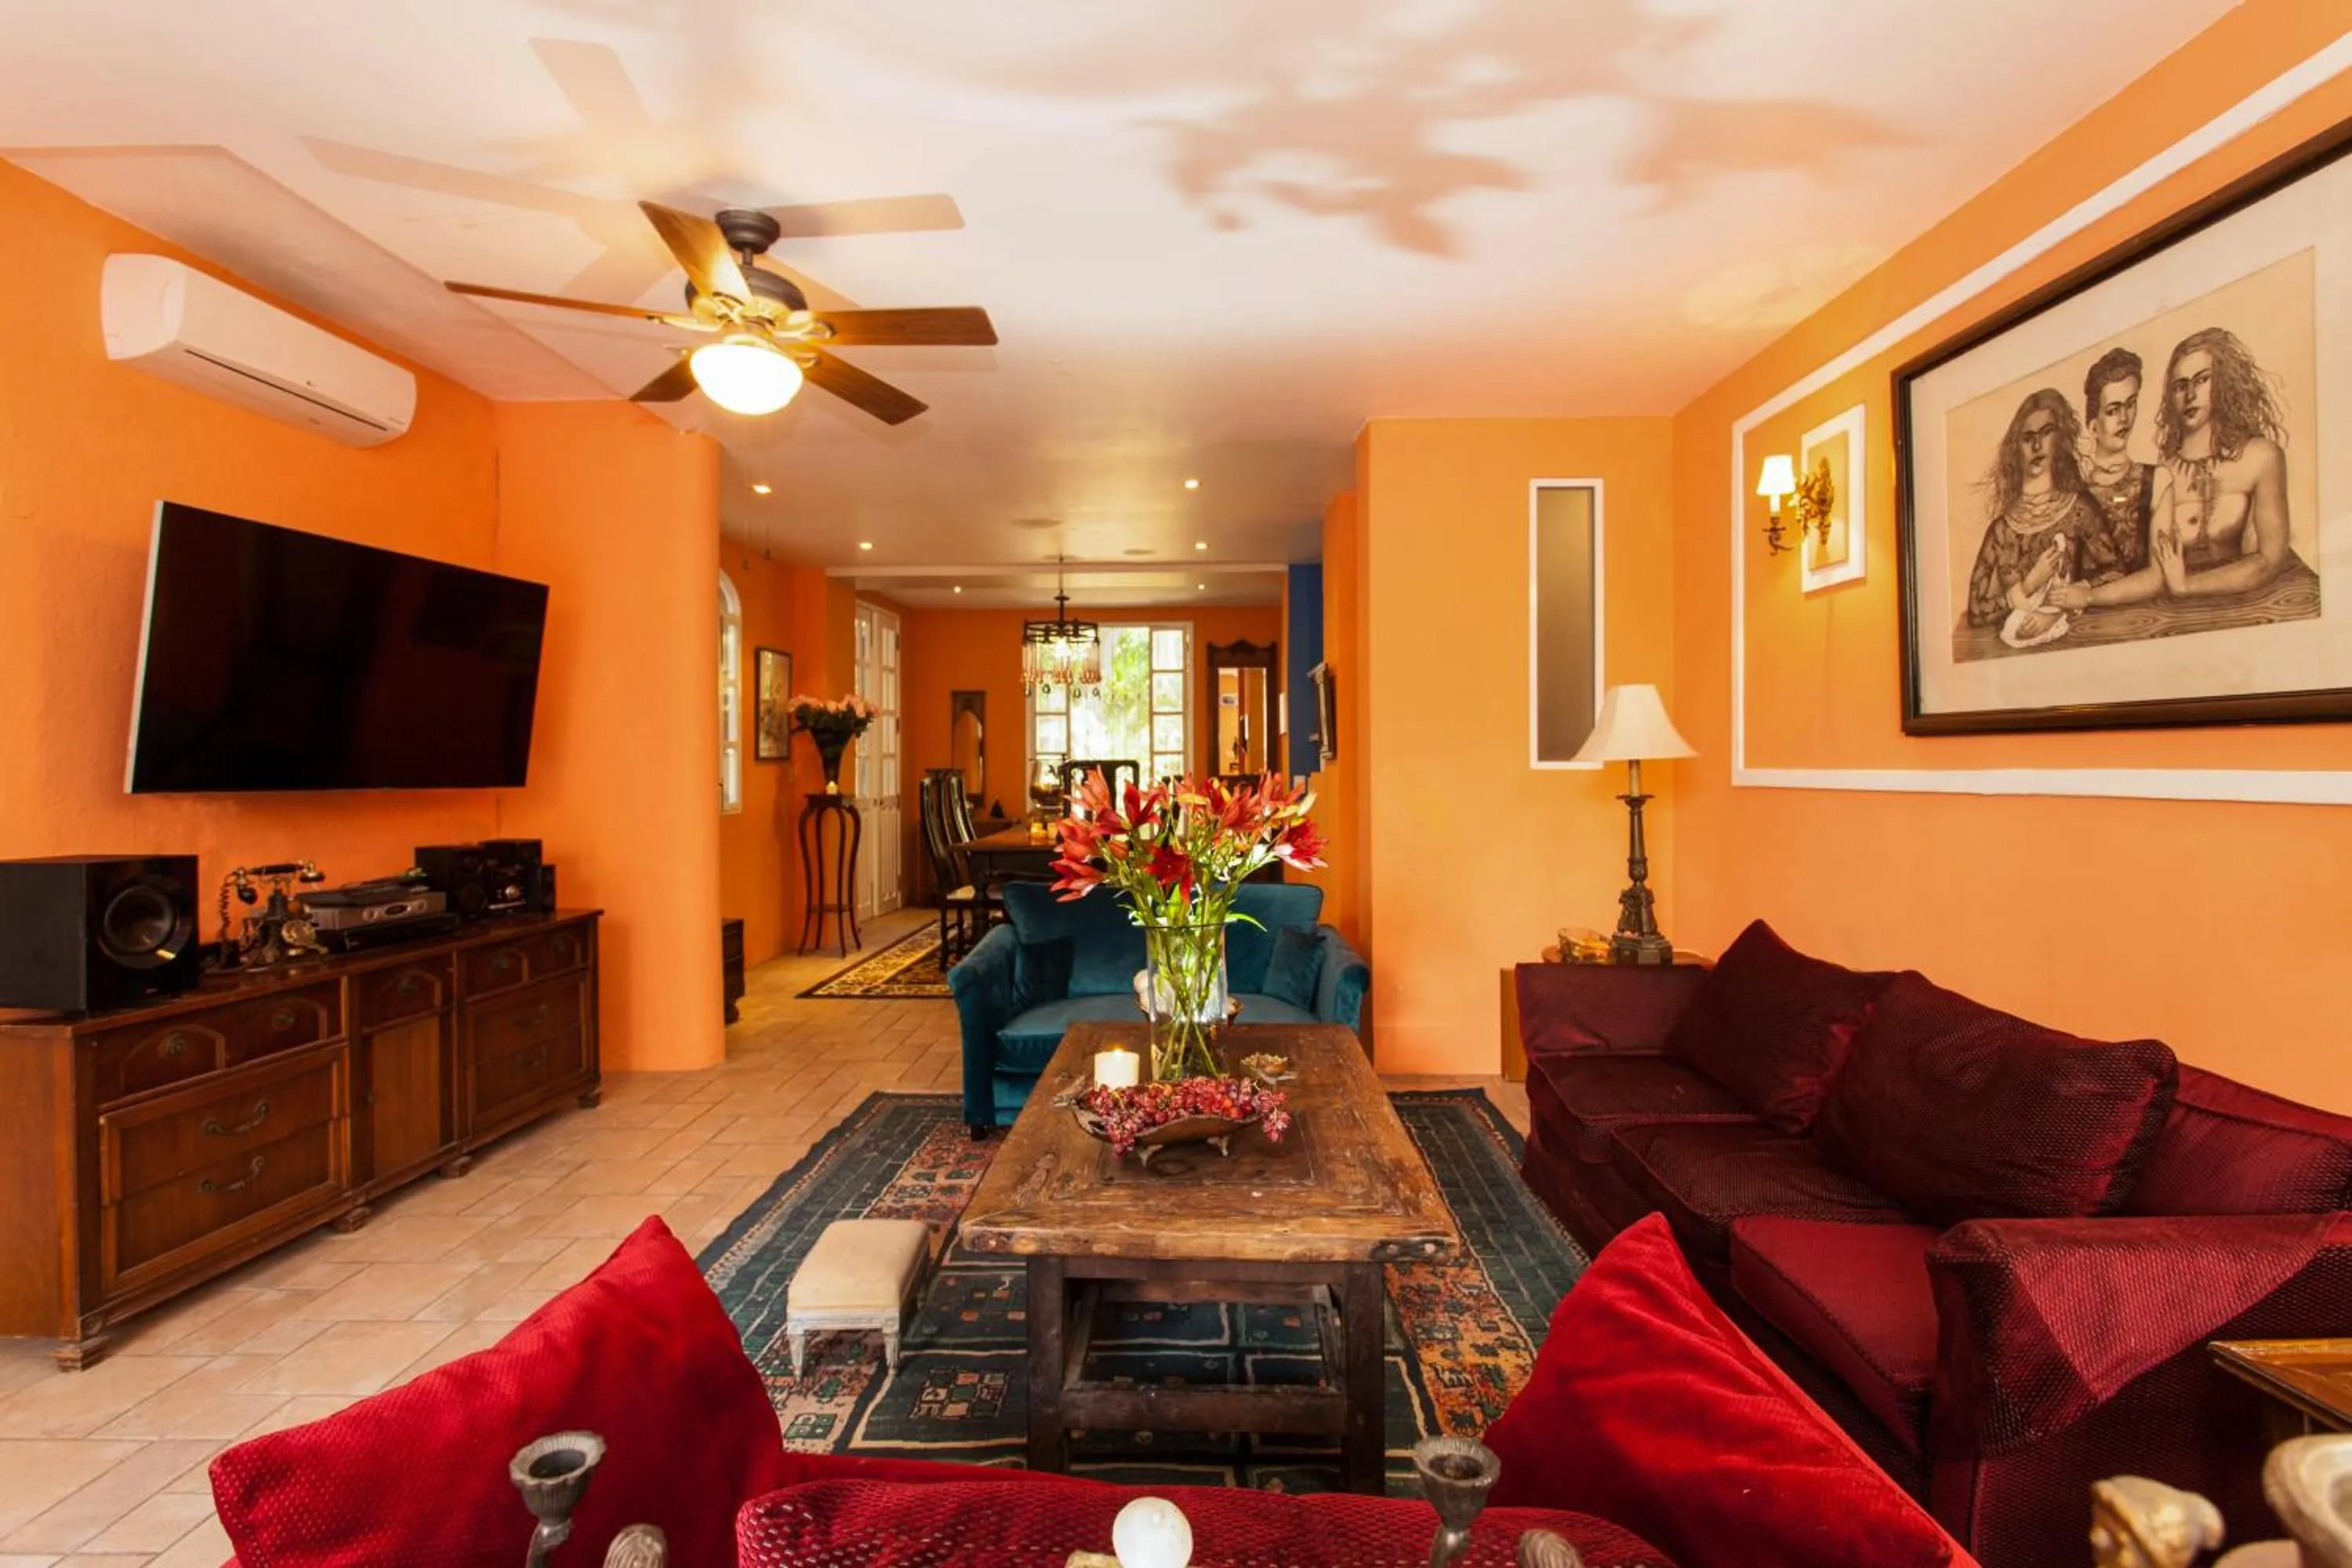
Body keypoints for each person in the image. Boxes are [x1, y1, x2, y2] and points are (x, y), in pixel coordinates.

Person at [2052, 327, 2290, 610]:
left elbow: (2269, 560)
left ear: (2223, 382)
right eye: (2180, 386)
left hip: (2245, 604)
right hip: (2168, 612)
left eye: (2201, 380)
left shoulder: (2261, 457)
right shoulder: (2160, 474)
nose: (2190, 394)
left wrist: (2188, 586)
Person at [1965, 387, 2112, 630]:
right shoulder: (2001, 531)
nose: (2036, 445)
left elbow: (2116, 572)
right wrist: (2028, 586)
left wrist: (2075, 597)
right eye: (2027, 437)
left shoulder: (2080, 509)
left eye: (2046, 433)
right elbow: (1976, 611)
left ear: (2060, 439)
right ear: (2016, 449)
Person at [2075, 346, 2152, 576]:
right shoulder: (2075, 494)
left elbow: (2160, 575)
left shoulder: (2156, 480)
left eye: (2131, 404)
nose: (2124, 418)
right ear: (2093, 426)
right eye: (2112, 410)